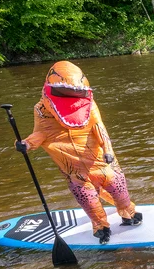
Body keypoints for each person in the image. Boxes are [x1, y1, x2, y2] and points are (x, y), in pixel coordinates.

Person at [14, 61, 142, 244]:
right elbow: (41, 134)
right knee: (89, 201)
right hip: (75, 173)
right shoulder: (41, 110)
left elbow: (100, 129)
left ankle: (127, 211)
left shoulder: (89, 105)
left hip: (102, 165)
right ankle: (101, 227)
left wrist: (108, 151)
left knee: (120, 192)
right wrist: (25, 145)